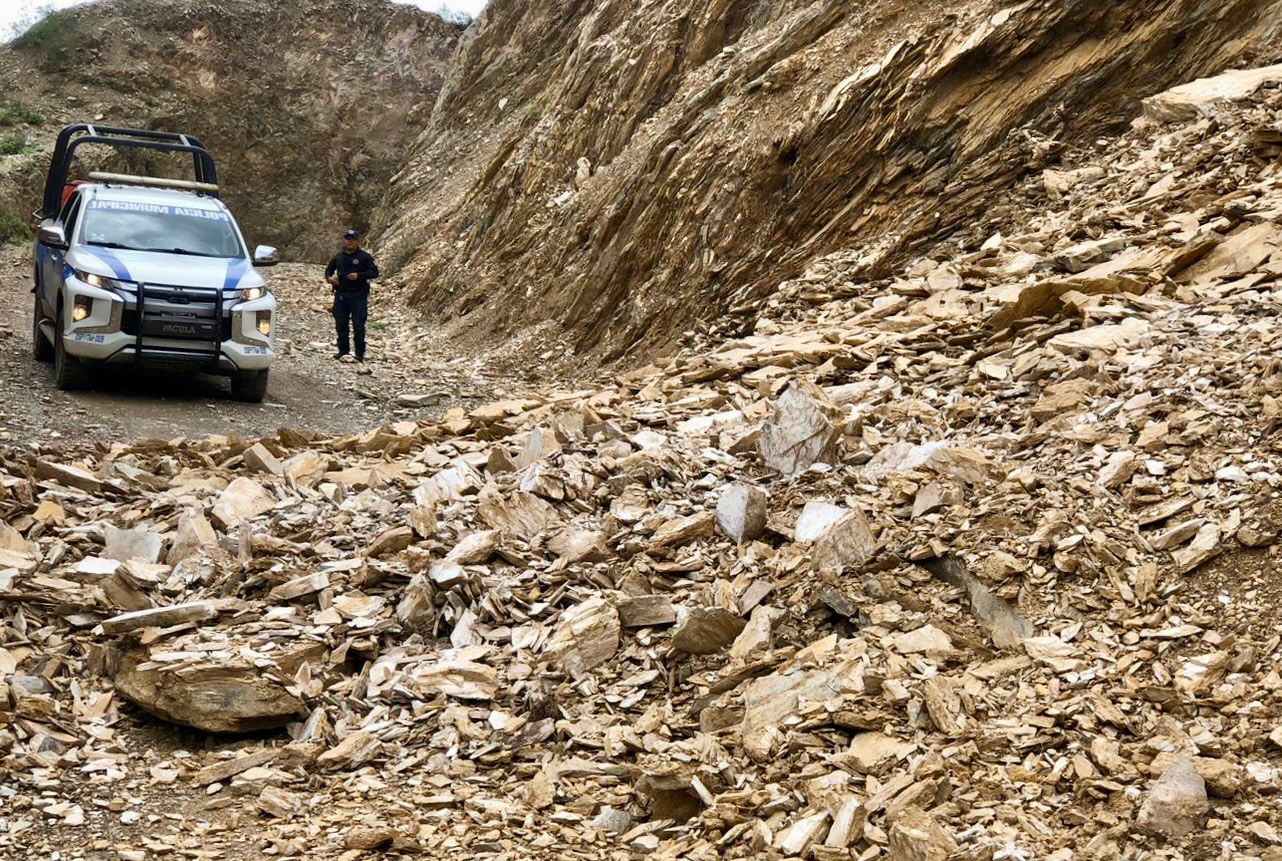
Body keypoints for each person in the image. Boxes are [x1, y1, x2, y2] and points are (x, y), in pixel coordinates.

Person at [325, 229, 379, 361]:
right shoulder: (338, 257)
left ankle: (359, 354)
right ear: (344, 240)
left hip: (358, 295)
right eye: (347, 239)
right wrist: (329, 278)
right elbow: (329, 270)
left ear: (357, 241)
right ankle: (343, 350)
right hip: (341, 295)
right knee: (341, 324)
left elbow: (374, 272)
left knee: (359, 324)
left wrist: (359, 276)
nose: (349, 242)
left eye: (352, 239)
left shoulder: (364, 257)